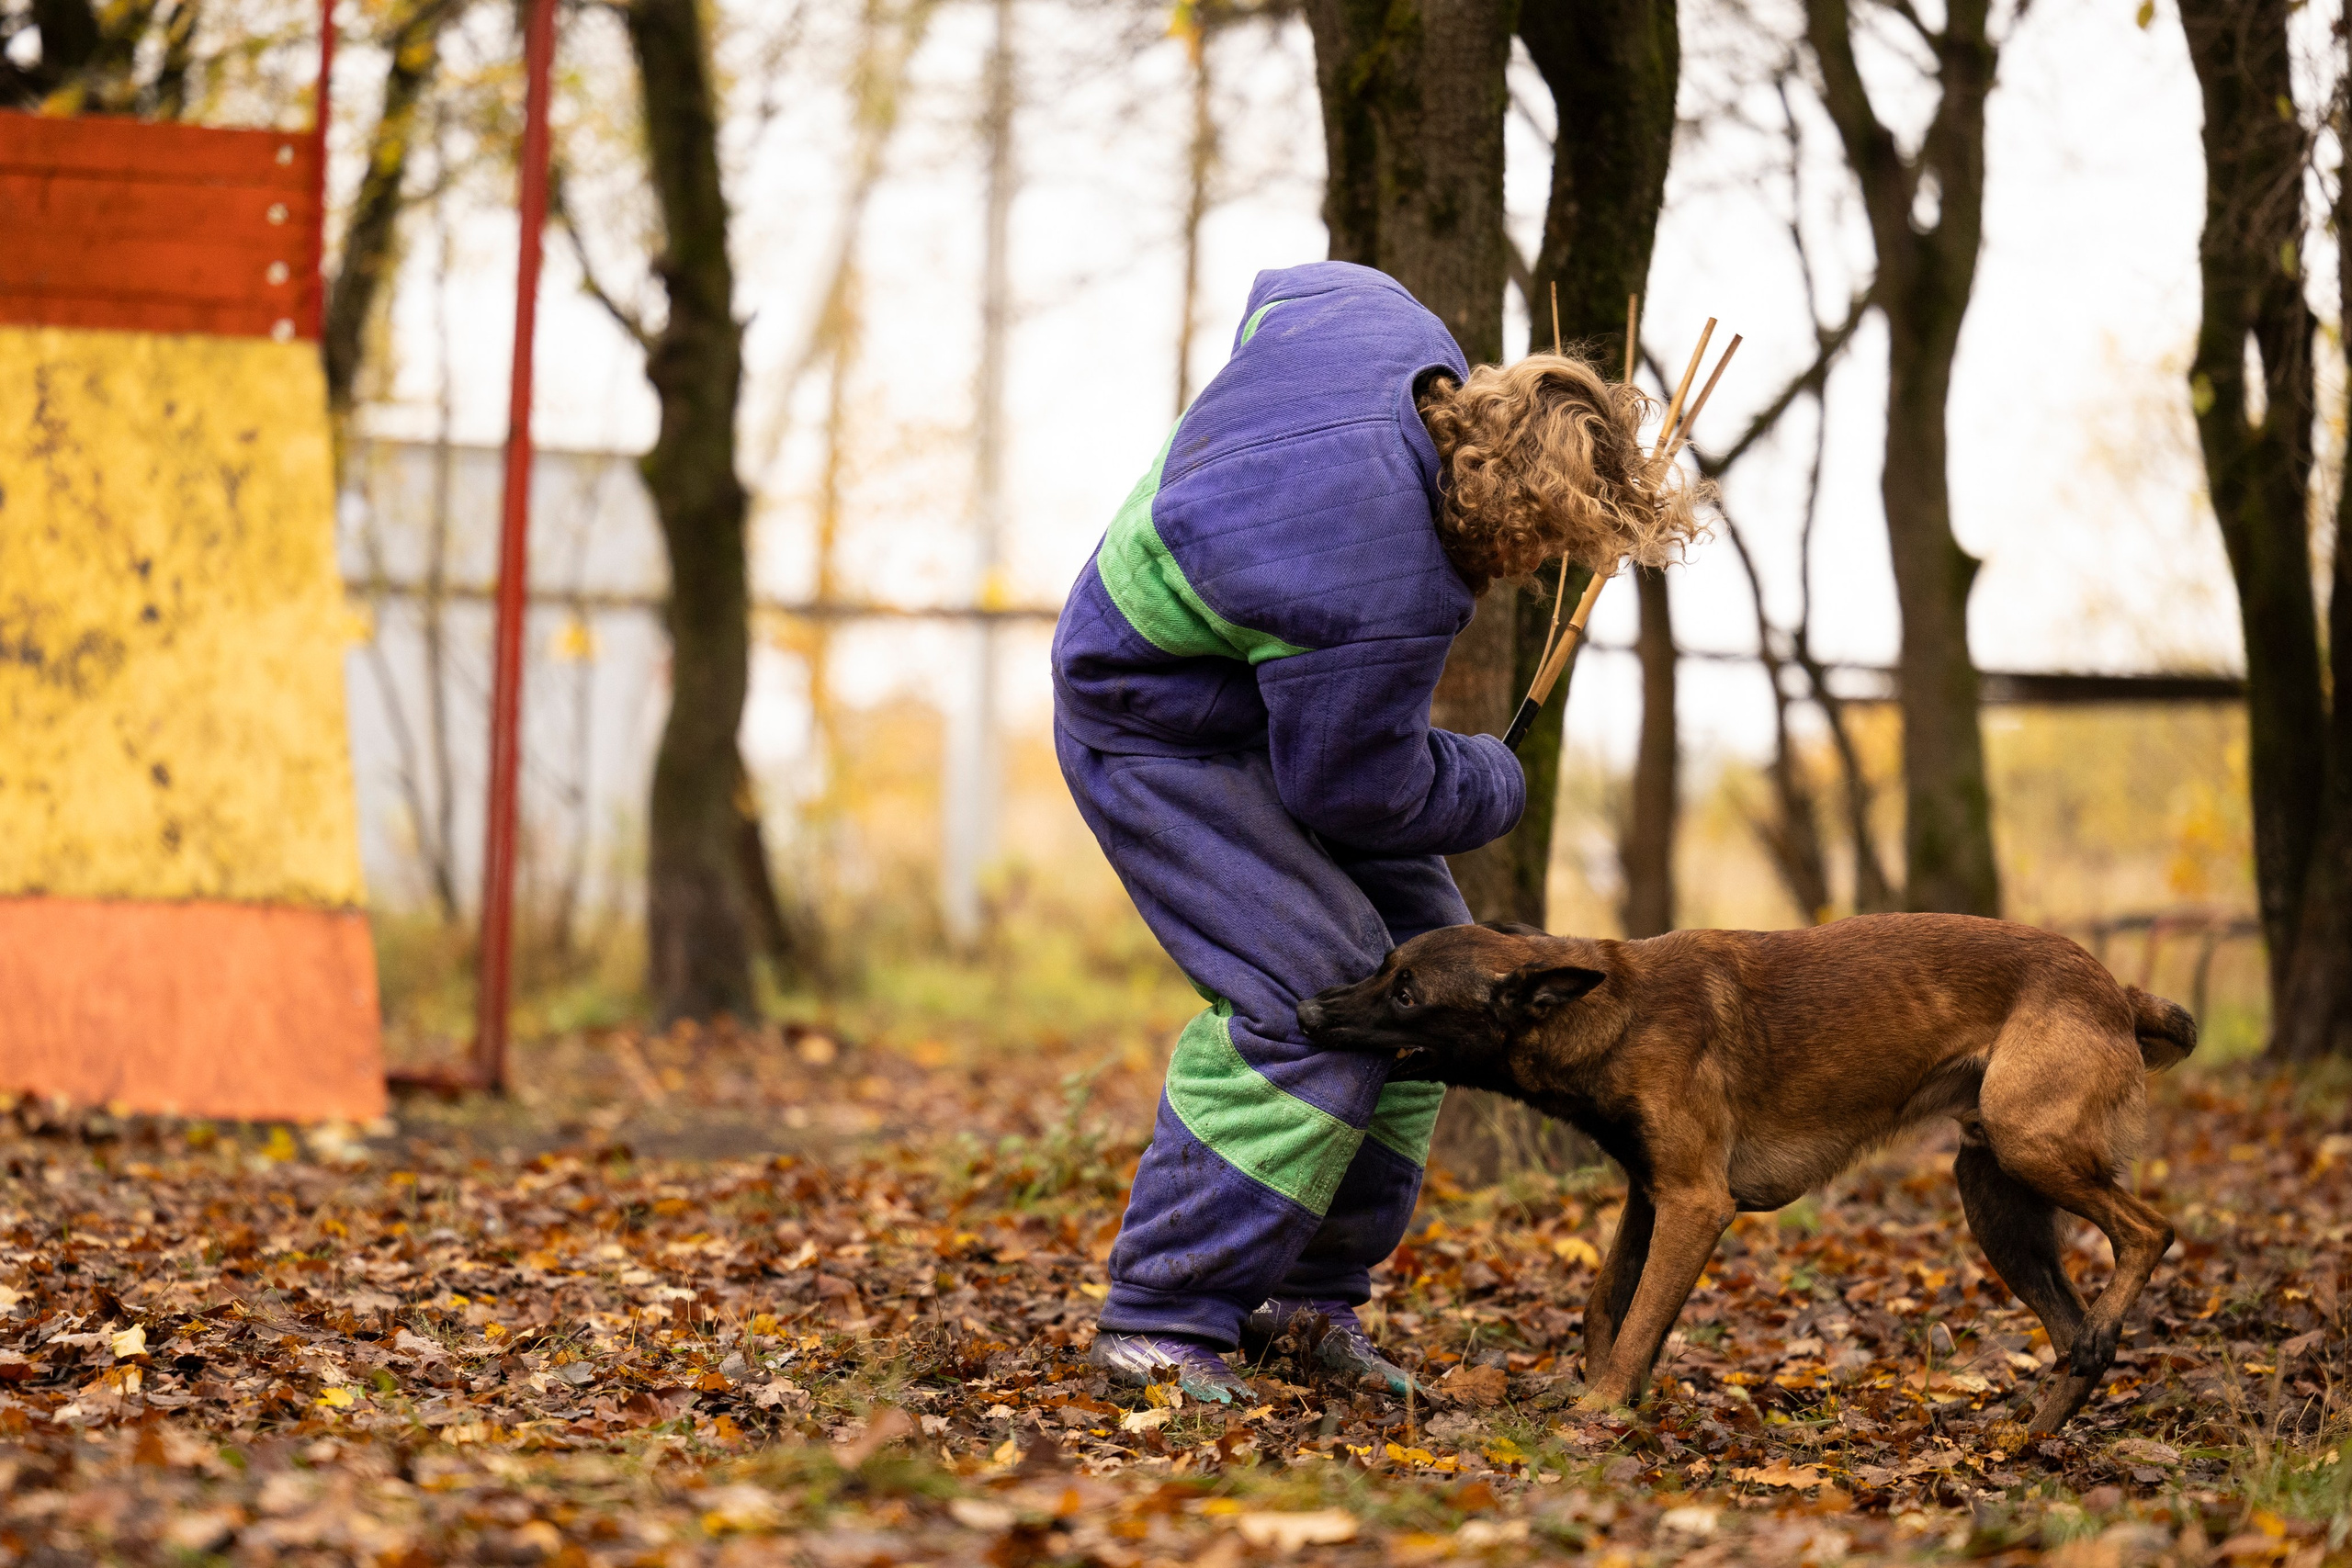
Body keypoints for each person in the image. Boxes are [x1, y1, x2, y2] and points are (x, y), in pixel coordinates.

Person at [1051, 260, 1698, 1402]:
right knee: (1320, 997)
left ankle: (1305, 1302)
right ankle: (1157, 1317)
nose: (1536, 573)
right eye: (1548, 551)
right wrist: (1490, 784)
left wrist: (1247, 460)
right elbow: (1350, 792)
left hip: (1253, 702)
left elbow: (1282, 289)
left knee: (1431, 992)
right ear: (1520, 518)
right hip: (1151, 725)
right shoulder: (1382, 587)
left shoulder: (1383, 323)